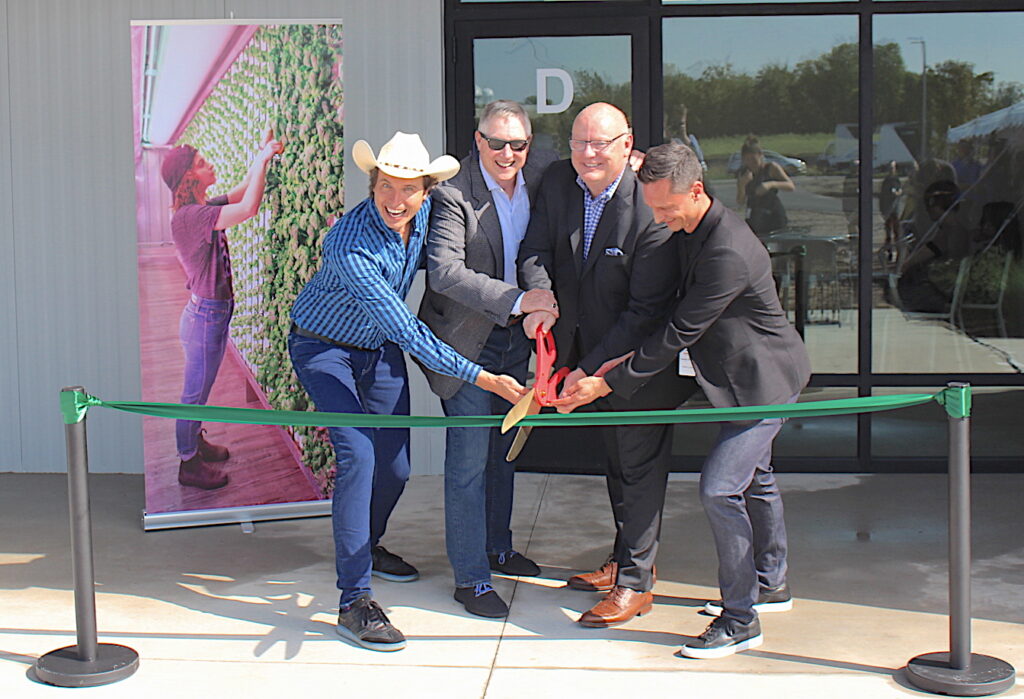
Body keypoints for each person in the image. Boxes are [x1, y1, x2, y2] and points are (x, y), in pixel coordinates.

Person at [556, 141, 811, 659]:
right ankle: (772, 582)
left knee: (721, 490)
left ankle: (741, 619)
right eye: (652, 207)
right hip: (730, 376)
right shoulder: (691, 224)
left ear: (697, 191)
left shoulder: (726, 251)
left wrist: (606, 381)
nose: (660, 218)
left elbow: (677, 331)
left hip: (761, 383)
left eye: (667, 208)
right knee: (755, 479)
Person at [288, 132, 527, 652]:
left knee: (394, 465)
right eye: (387, 188)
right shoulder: (350, 245)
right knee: (358, 456)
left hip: (376, 352)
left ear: (426, 190)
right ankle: (354, 600)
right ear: (373, 184)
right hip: (323, 349)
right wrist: (483, 377)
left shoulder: (423, 219)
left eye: (409, 190)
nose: (397, 201)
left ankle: (367, 545)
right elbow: (408, 330)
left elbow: (450, 270)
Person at [518, 103, 696, 628]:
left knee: (639, 471)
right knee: (617, 465)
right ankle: (624, 560)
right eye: (579, 143)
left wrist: (589, 370)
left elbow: (645, 312)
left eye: (600, 143)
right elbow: (534, 250)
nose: (588, 154)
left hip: (634, 367)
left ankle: (636, 585)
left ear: (627, 145)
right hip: (579, 357)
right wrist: (540, 297)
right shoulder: (557, 182)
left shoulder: (649, 207)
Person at [417, 101, 558, 618]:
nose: (506, 153)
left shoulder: (539, 177)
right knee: (470, 461)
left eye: (517, 144)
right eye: (496, 143)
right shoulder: (453, 195)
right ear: (477, 141)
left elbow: (536, 251)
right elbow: (445, 274)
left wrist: (540, 297)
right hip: (467, 346)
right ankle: (471, 578)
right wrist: (521, 301)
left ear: (529, 144)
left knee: (505, 451)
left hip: (517, 341)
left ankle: (498, 547)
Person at [161, 133, 282, 490]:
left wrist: (263, 154)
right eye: (201, 163)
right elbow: (248, 209)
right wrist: (262, 160)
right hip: (205, 318)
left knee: (199, 390)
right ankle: (188, 462)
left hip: (208, 315)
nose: (209, 164)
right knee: (193, 394)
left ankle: (194, 443)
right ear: (188, 178)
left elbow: (244, 191)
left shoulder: (199, 210)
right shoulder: (190, 218)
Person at [736, 135, 794, 237]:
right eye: (747, 160)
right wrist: (742, 185)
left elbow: (790, 186)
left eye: (754, 160)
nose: (751, 163)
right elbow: (740, 201)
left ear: (760, 155)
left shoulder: (771, 168)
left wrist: (771, 184)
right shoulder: (743, 173)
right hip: (755, 215)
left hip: (773, 213)